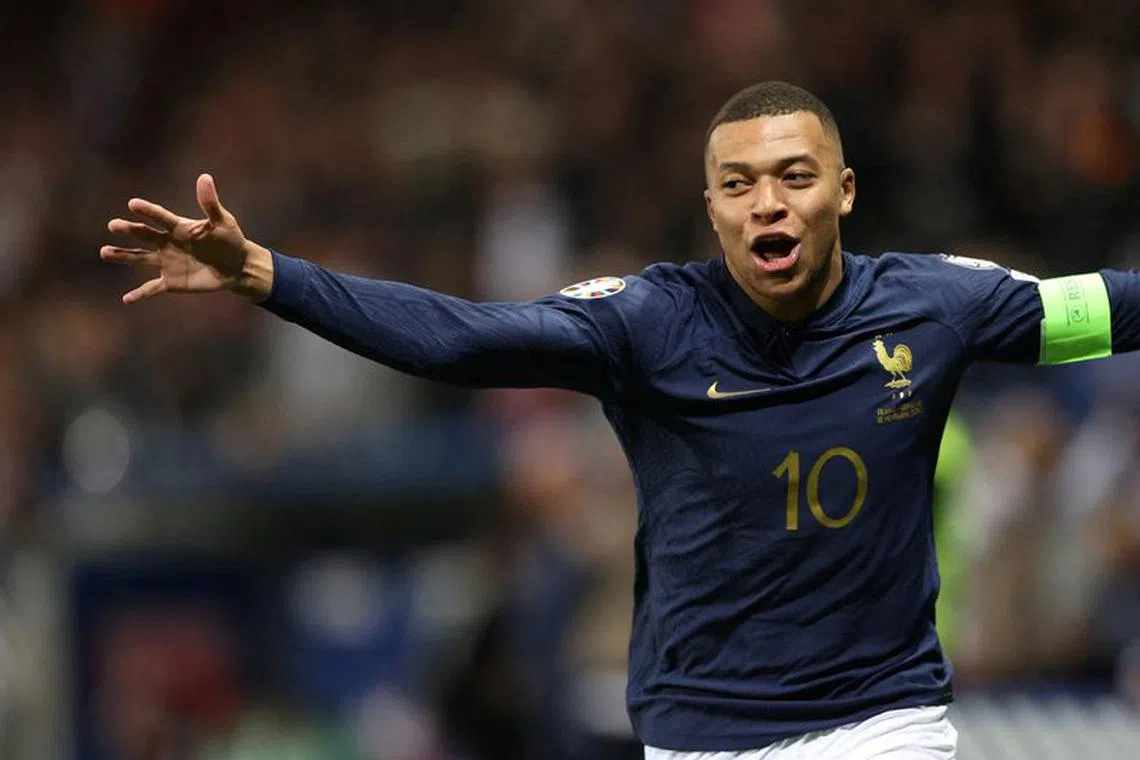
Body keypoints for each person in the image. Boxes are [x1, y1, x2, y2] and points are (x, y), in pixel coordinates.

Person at [102, 81, 1140, 760]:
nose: (767, 204)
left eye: (794, 176)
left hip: (882, 725)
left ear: (846, 190)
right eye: (739, 185)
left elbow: (1097, 309)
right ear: (711, 206)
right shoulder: (649, 322)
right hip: (696, 734)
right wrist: (267, 274)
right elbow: (458, 340)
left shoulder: (937, 305)